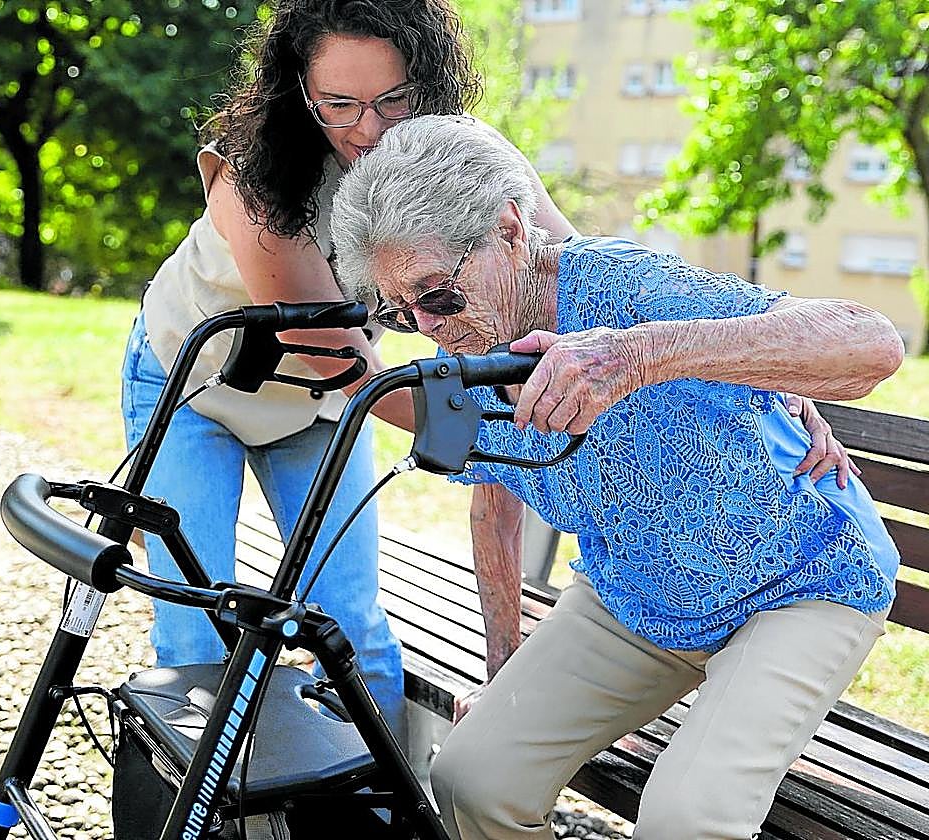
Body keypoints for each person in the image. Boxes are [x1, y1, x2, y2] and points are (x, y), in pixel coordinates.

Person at [330, 114, 904, 840]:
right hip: (637, 590)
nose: (432, 326)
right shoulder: (468, 357)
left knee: (686, 819)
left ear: (510, 229)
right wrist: (503, 667)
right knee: (472, 777)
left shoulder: (626, 289)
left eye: (439, 295)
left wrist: (639, 356)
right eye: (401, 312)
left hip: (798, 581)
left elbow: (872, 343)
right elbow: (495, 503)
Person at [120, 0, 580, 740]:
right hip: (196, 386)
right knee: (198, 637)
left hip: (312, 406)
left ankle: (373, 811)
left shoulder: (463, 158)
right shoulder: (256, 183)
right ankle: (219, 814)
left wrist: (716, 358)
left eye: (393, 100)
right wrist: (507, 429)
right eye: (339, 104)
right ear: (299, 92)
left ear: (427, 85)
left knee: (352, 634)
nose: (368, 129)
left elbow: (576, 266)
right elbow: (353, 370)